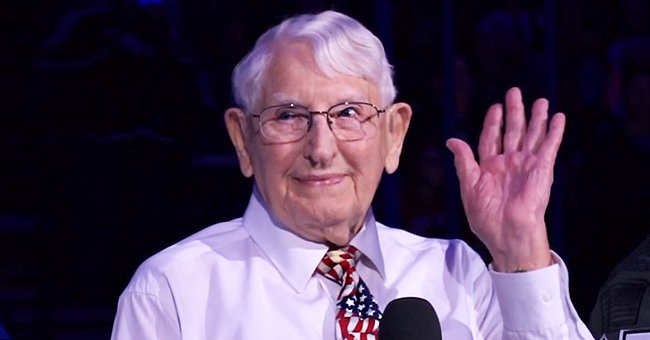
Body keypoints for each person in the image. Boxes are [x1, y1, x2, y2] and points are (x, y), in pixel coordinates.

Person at [111, 10, 593, 339]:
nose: (321, 149)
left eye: (348, 113)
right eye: (288, 116)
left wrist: (520, 256)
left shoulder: (459, 276)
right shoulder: (174, 291)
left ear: (394, 134)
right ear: (243, 140)